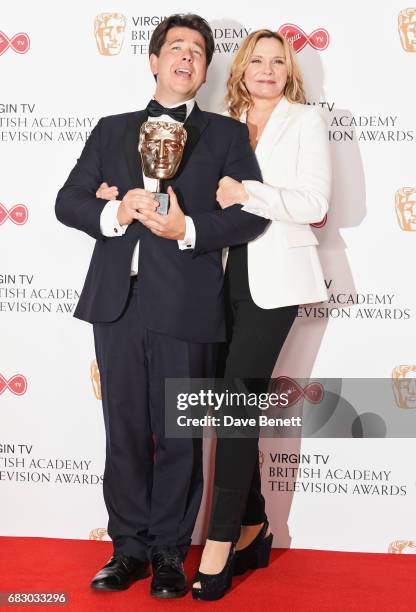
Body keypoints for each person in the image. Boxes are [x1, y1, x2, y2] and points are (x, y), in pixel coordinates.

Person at [55, 14, 267, 600]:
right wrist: (116, 212)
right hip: (116, 303)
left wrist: (189, 228)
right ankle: (127, 549)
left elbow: (251, 214)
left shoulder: (225, 135)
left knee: (178, 434)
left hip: (187, 304)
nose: (186, 57)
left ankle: (171, 553)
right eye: (175, 47)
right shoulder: (110, 130)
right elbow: (67, 201)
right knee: (122, 429)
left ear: (204, 70)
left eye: (198, 51)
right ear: (154, 61)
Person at [189, 29, 331, 600]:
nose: (267, 70)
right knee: (227, 404)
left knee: (238, 404)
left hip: (276, 283)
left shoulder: (305, 121)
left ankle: (220, 543)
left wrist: (249, 193)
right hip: (217, 281)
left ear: (288, 71)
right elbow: (204, 198)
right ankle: (254, 526)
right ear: (242, 69)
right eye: (257, 60)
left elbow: (315, 205)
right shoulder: (223, 124)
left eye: (278, 61)